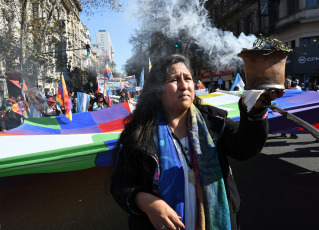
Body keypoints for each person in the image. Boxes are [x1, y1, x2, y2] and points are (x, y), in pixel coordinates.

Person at [110, 54, 284, 230]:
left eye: (188, 78)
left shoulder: (214, 121)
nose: (184, 85)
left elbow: (246, 147)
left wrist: (255, 109)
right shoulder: (139, 135)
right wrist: (146, 202)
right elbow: (120, 185)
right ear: (157, 90)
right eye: (174, 80)